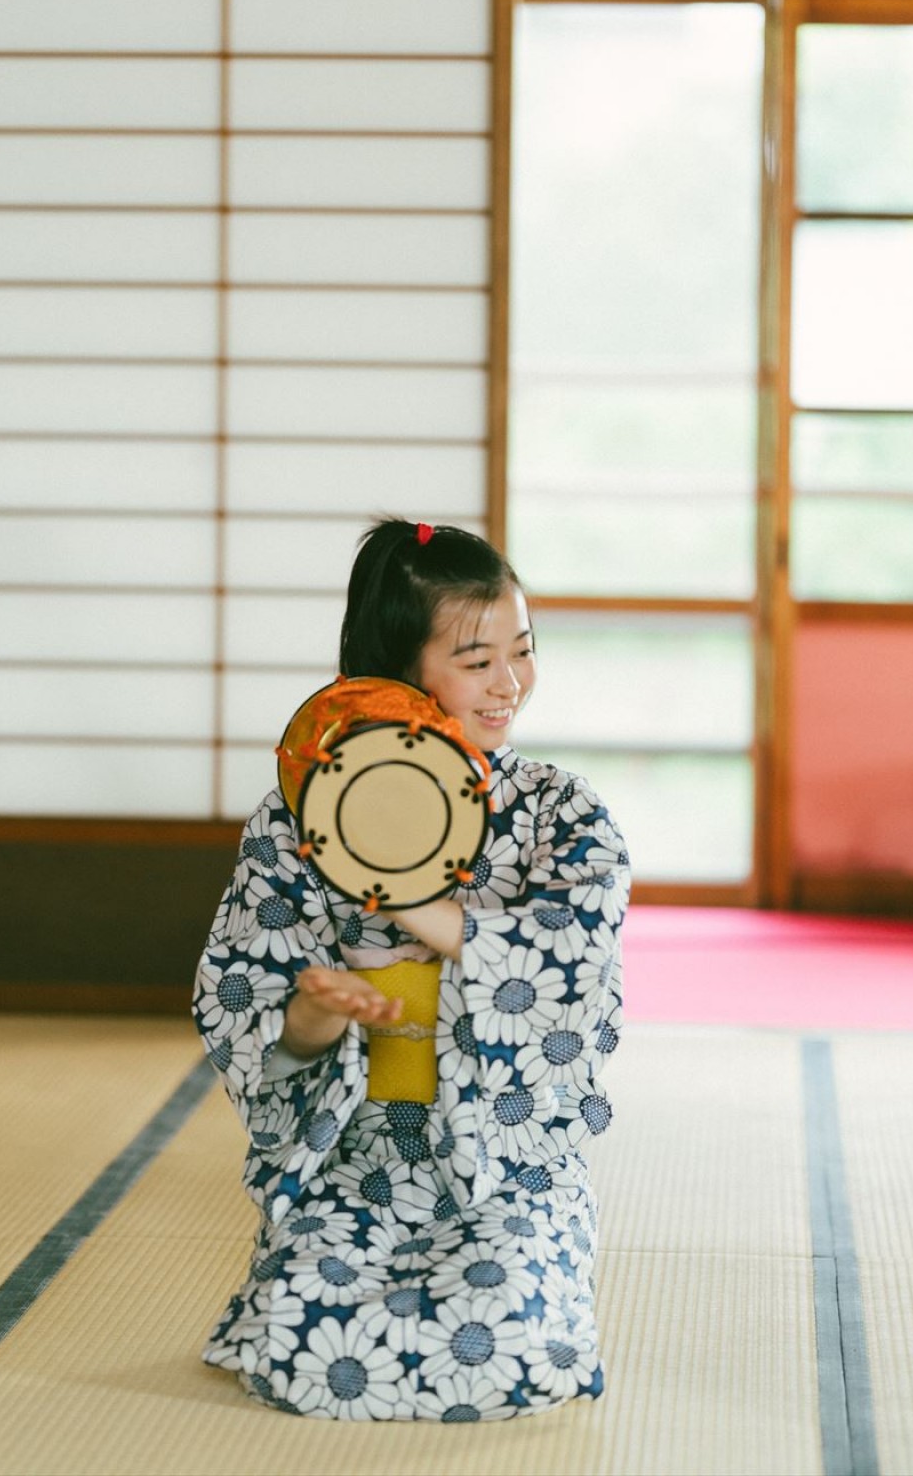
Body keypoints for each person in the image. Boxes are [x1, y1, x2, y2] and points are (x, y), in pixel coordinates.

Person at [193, 518, 629, 1421]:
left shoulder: (557, 810)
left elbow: (579, 945)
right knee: (304, 1330)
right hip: (357, 1149)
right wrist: (316, 1017)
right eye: (477, 661)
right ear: (399, 672)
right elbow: (247, 994)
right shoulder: (295, 822)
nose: (510, 683)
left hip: (507, 1160)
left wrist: (402, 900)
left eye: (523, 650)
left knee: (510, 1326)